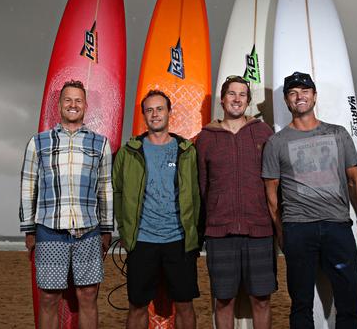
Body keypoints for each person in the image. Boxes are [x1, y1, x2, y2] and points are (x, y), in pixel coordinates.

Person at [262, 72, 357, 329]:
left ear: (314, 96)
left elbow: (356, 180)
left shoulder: (338, 134)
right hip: (298, 228)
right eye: (292, 93)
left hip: (337, 226)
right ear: (287, 101)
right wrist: (281, 232)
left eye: (304, 91)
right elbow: (271, 193)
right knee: (301, 304)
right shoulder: (276, 143)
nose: (299, 96)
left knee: (349, 301)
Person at [19, 80, 113, 329]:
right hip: (49, 231)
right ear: (60, 105)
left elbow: (105, 187)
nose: (73, 104)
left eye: (78, 100)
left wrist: (106, 229)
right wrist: (29, 230)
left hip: (89, 232)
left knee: (88, 296)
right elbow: (29, 187)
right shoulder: (38, 143)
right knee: (49, 298)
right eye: (68, 100)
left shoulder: (99, 143)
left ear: (85, 106)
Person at [113, 90, 201, 329]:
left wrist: (195, 234)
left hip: (179, 239)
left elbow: (196, 194)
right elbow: (118, 192)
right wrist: (124, 228)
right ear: (144, 115)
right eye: (149, 110)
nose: (155, 114)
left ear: (169, 113)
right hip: (142, 240)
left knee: (184, 305)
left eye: (160, 109)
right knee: (137, 306)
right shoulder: (129, 151)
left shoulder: (186, 151)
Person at [196, 75, 276, 329]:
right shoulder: (206, 138)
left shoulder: (263, 132)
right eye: (232, 93)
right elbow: (201, 185)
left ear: (248, 102)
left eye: (242, 94)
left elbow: (275, 181)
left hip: (260, 229)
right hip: (220, 232)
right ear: (222, 99)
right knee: (223, 301)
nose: (237, 99)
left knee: (262, 300)